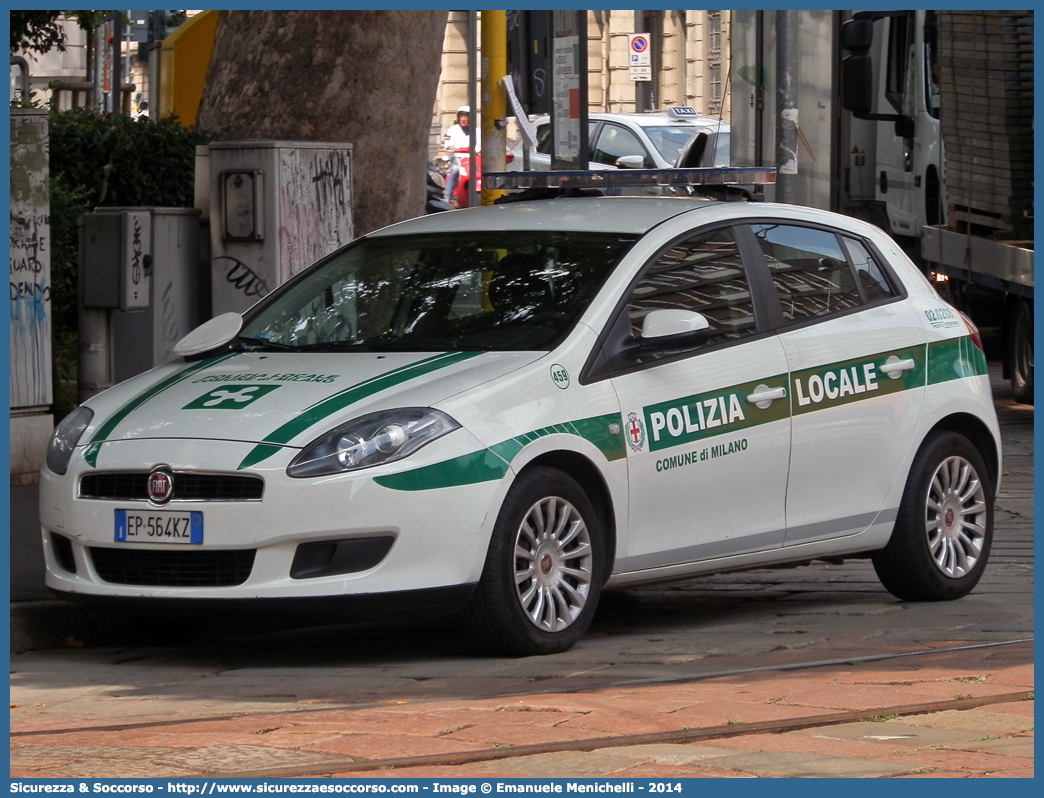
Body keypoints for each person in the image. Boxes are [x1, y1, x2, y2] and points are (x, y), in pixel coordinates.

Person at [443, 105, 470, 206]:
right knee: (454, 171)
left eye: (466, 117)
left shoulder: (476, 130)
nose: (463, 119)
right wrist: (452, 148)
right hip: (458, 157)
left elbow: (479, 144)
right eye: (462, 117)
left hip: (472, 158)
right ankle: (447, 196)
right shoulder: (452, 129)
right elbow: (448, 144)